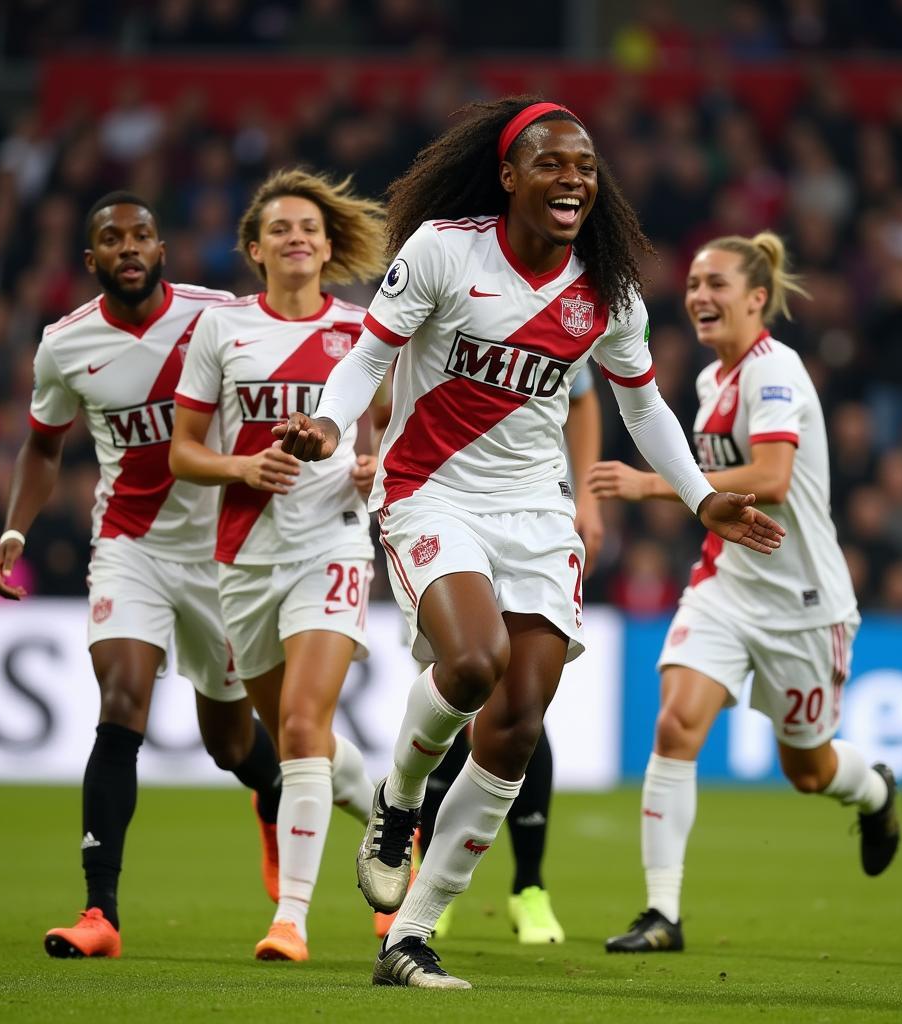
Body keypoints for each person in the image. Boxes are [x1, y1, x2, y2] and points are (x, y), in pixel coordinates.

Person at [272, 97, 784, 989]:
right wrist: (325, 421)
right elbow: (367, 355)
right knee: (472, 665)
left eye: (586, 167)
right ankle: (399, 802)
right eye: (552, 163)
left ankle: (413, 936)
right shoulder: (441, 250)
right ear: (508, 176)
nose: (574, 179)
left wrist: (700, 499)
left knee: (514, 726)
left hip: (536, 510)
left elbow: (641, 406)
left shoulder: (605, 286)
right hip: (431, 490)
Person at [0, 192, 283, 959]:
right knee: (121, 702)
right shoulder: (65, 343)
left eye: (141, 235)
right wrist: (16, 526)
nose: (128, 246)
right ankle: (100, 913)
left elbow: (294, 348)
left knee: (228, 742)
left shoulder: (220, 314)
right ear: (91, 260)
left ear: (161, 249)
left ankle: (274, 796)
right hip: (131, 545)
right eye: (111, 238)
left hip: (222, 551)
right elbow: (44, 447)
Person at [589, 231, 901, 955]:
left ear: (757, 298)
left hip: (802, 602)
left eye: (717, 284)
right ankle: (661, 913)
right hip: (726, 584)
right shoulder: (708, 381)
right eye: (695, 283)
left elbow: (772, 478)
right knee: (675, 725)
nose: (699, 295)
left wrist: (647, 484)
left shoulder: (776, 371)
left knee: (809, 770)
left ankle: (876, 791)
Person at [169, 167, 385, 963]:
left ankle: (289, 918)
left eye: (311, 229)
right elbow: (184, 453)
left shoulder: (363, 332)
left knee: (300, 726)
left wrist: (374, 468)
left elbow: (395, 433)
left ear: (329, 248)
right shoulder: (222, 331)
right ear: (255, 249)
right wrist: (242, 468)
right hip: (244, 554)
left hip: (331, 541)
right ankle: (398, 818)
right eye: (282, 229)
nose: (298, 237)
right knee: (302, 737)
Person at [411, 365, 604, 946]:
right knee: (462, 688)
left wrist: (588, 495)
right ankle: (428, 880)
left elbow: (589, 397)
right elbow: (381, 389)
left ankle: (528, 886)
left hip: (534, 517)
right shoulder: (437, 285)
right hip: (445, 510)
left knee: (519, 709)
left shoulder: (567, 298)